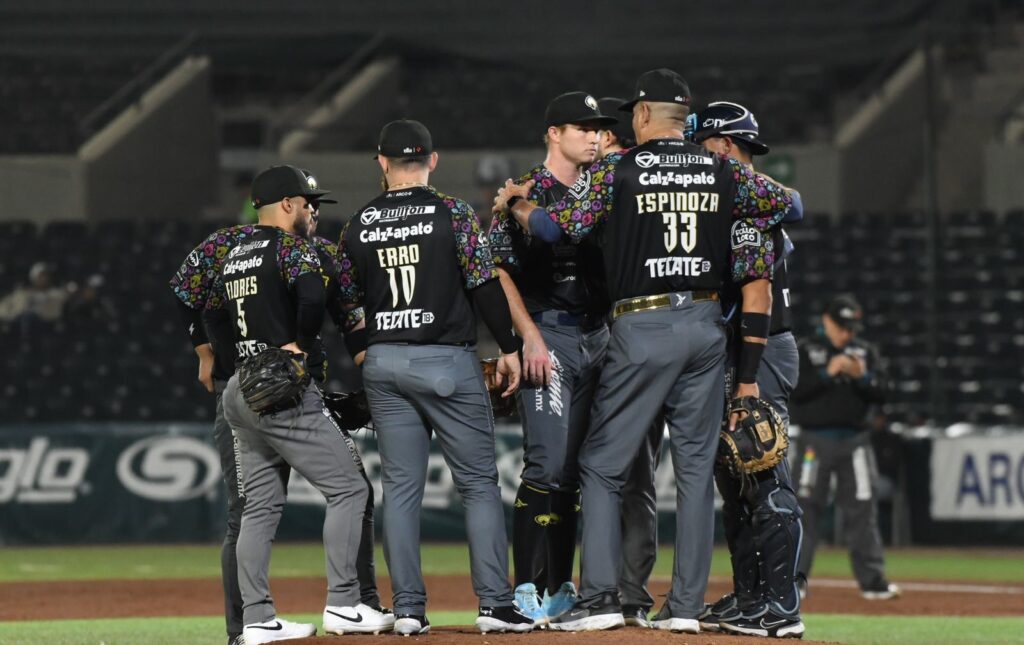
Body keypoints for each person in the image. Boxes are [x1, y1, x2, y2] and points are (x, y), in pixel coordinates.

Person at [495, 68, 793, 633]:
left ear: (640, 117)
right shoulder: (723, 168)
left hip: (643, 324)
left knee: (602, 465)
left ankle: (603, 597)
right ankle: (683, 609)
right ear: (685, 118)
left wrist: (518, 206)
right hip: (705, 326)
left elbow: (563, 231)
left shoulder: (618, 167)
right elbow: (792, 206)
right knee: (697, 469)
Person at [169, 167, 390, 644]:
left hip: (240, 390)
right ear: (287, 204)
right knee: (350, 490)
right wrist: (301, 344)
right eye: (309, 202)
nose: (314, 210)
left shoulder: (230, 255)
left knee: (259, 508)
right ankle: (346, 603)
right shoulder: (294, 248)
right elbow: (313, 295)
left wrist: (210, 349)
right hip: (283, 388)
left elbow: (203, 303)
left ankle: (256, 620)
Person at [336, 119, 534, 635]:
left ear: (381, 162)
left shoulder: (357, 223)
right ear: (433, 160)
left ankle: (406, 611)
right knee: (477, 486)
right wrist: (509, 348)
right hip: (445, 360)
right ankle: (494, 604)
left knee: (401, 490)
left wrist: (363, 353)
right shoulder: (453, 213)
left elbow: (346, 301)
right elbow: (484, 286)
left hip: (384, 363)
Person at [487, 91, 616, 625]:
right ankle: (524, 588)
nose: (593, 135)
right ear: (553, 134)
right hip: (552, 334)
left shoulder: (603, 186)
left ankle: (560, 589)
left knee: (578, 470)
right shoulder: (524, 191)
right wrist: (525, 338)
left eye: (597, 127)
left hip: (600, 335)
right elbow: (496, 270)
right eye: (581, 126)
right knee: (546, 462)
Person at [690, 101, 806, 639]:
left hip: (760, 354)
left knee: (766, 476)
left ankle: (783, 608)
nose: (695, 154)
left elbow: (756, 294)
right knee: (735, 481)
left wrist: (747, 377)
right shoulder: (743, 201)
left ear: (725, 146)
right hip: (739, 353)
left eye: (703, 144)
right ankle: (751, 597)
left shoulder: (752, 207)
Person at [594, 95, 662, 628]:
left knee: (626, 474)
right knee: (612, 475)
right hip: (599, 338)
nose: (599, 144)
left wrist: (519, 204)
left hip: (627, 338)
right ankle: (600, 591)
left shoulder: (616, 181)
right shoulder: (599, 186)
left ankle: (624, 594)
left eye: (605, 136)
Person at [791, 295, 900, 600]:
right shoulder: (806, 349)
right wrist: (828, 373)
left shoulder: (864, 352)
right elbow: (795, 391)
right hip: (814, 441)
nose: (846, 333)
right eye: (841, 326)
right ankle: (793, 582)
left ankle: (872, 580)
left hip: (855, 442)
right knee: (804, 512)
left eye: (851, 327)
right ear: (826, 320)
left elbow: (884, 392)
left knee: (862, 510)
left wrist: (861, 376)